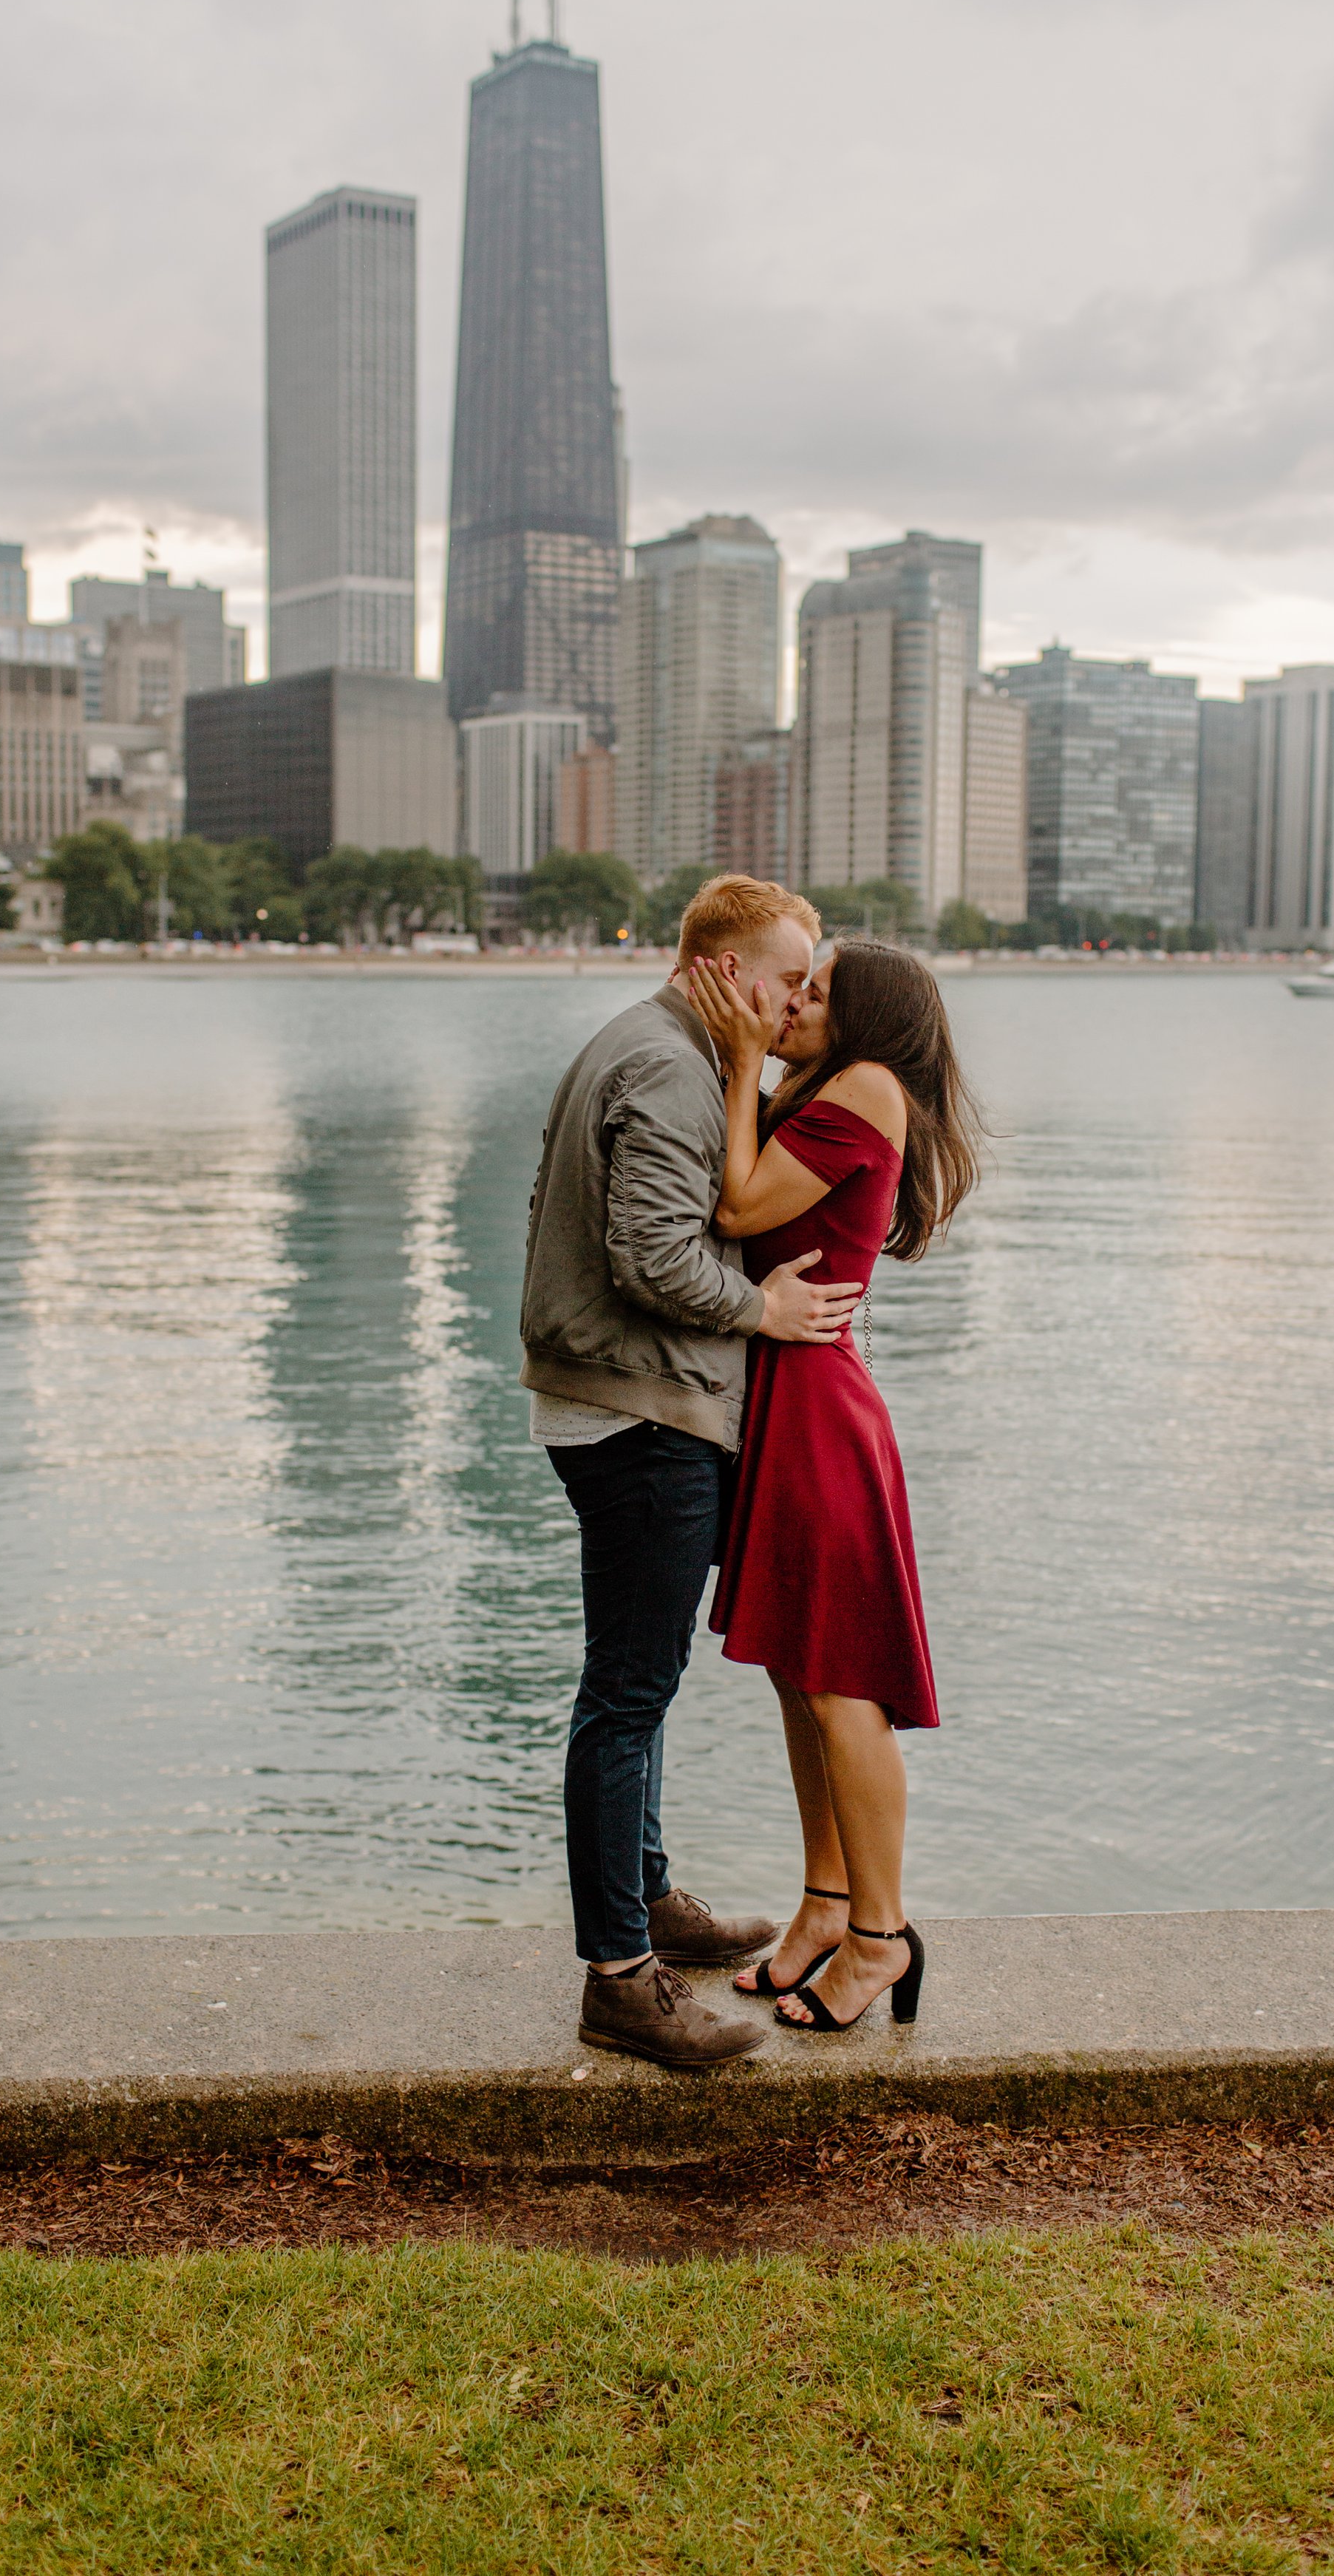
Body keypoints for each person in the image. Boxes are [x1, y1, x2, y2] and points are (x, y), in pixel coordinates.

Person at [521, 873, 864, 2069]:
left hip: (612, 1401)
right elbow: (652, 1251)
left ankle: (650, 1903)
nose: (792, 1005)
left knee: (645, 1679)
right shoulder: (667, 1065)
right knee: (625, 1692)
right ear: (722, 969)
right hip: (640, 1418)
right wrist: (760, 1306)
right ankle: (619, 1977)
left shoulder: (644, 1043)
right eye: (784, 979)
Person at [684, 937, 981, 2033]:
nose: (794, 1001)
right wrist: (758, 1071)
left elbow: (739, 1207)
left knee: (840, 1682)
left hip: (818, 1411)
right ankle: (824, 1902)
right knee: (799, 1673)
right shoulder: (827, 1089)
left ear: (864, 1017)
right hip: (792, 1400)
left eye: (816, 992)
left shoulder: (864, 1086)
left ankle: (880, 1936)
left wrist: (737, 1066)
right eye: (793, 986)